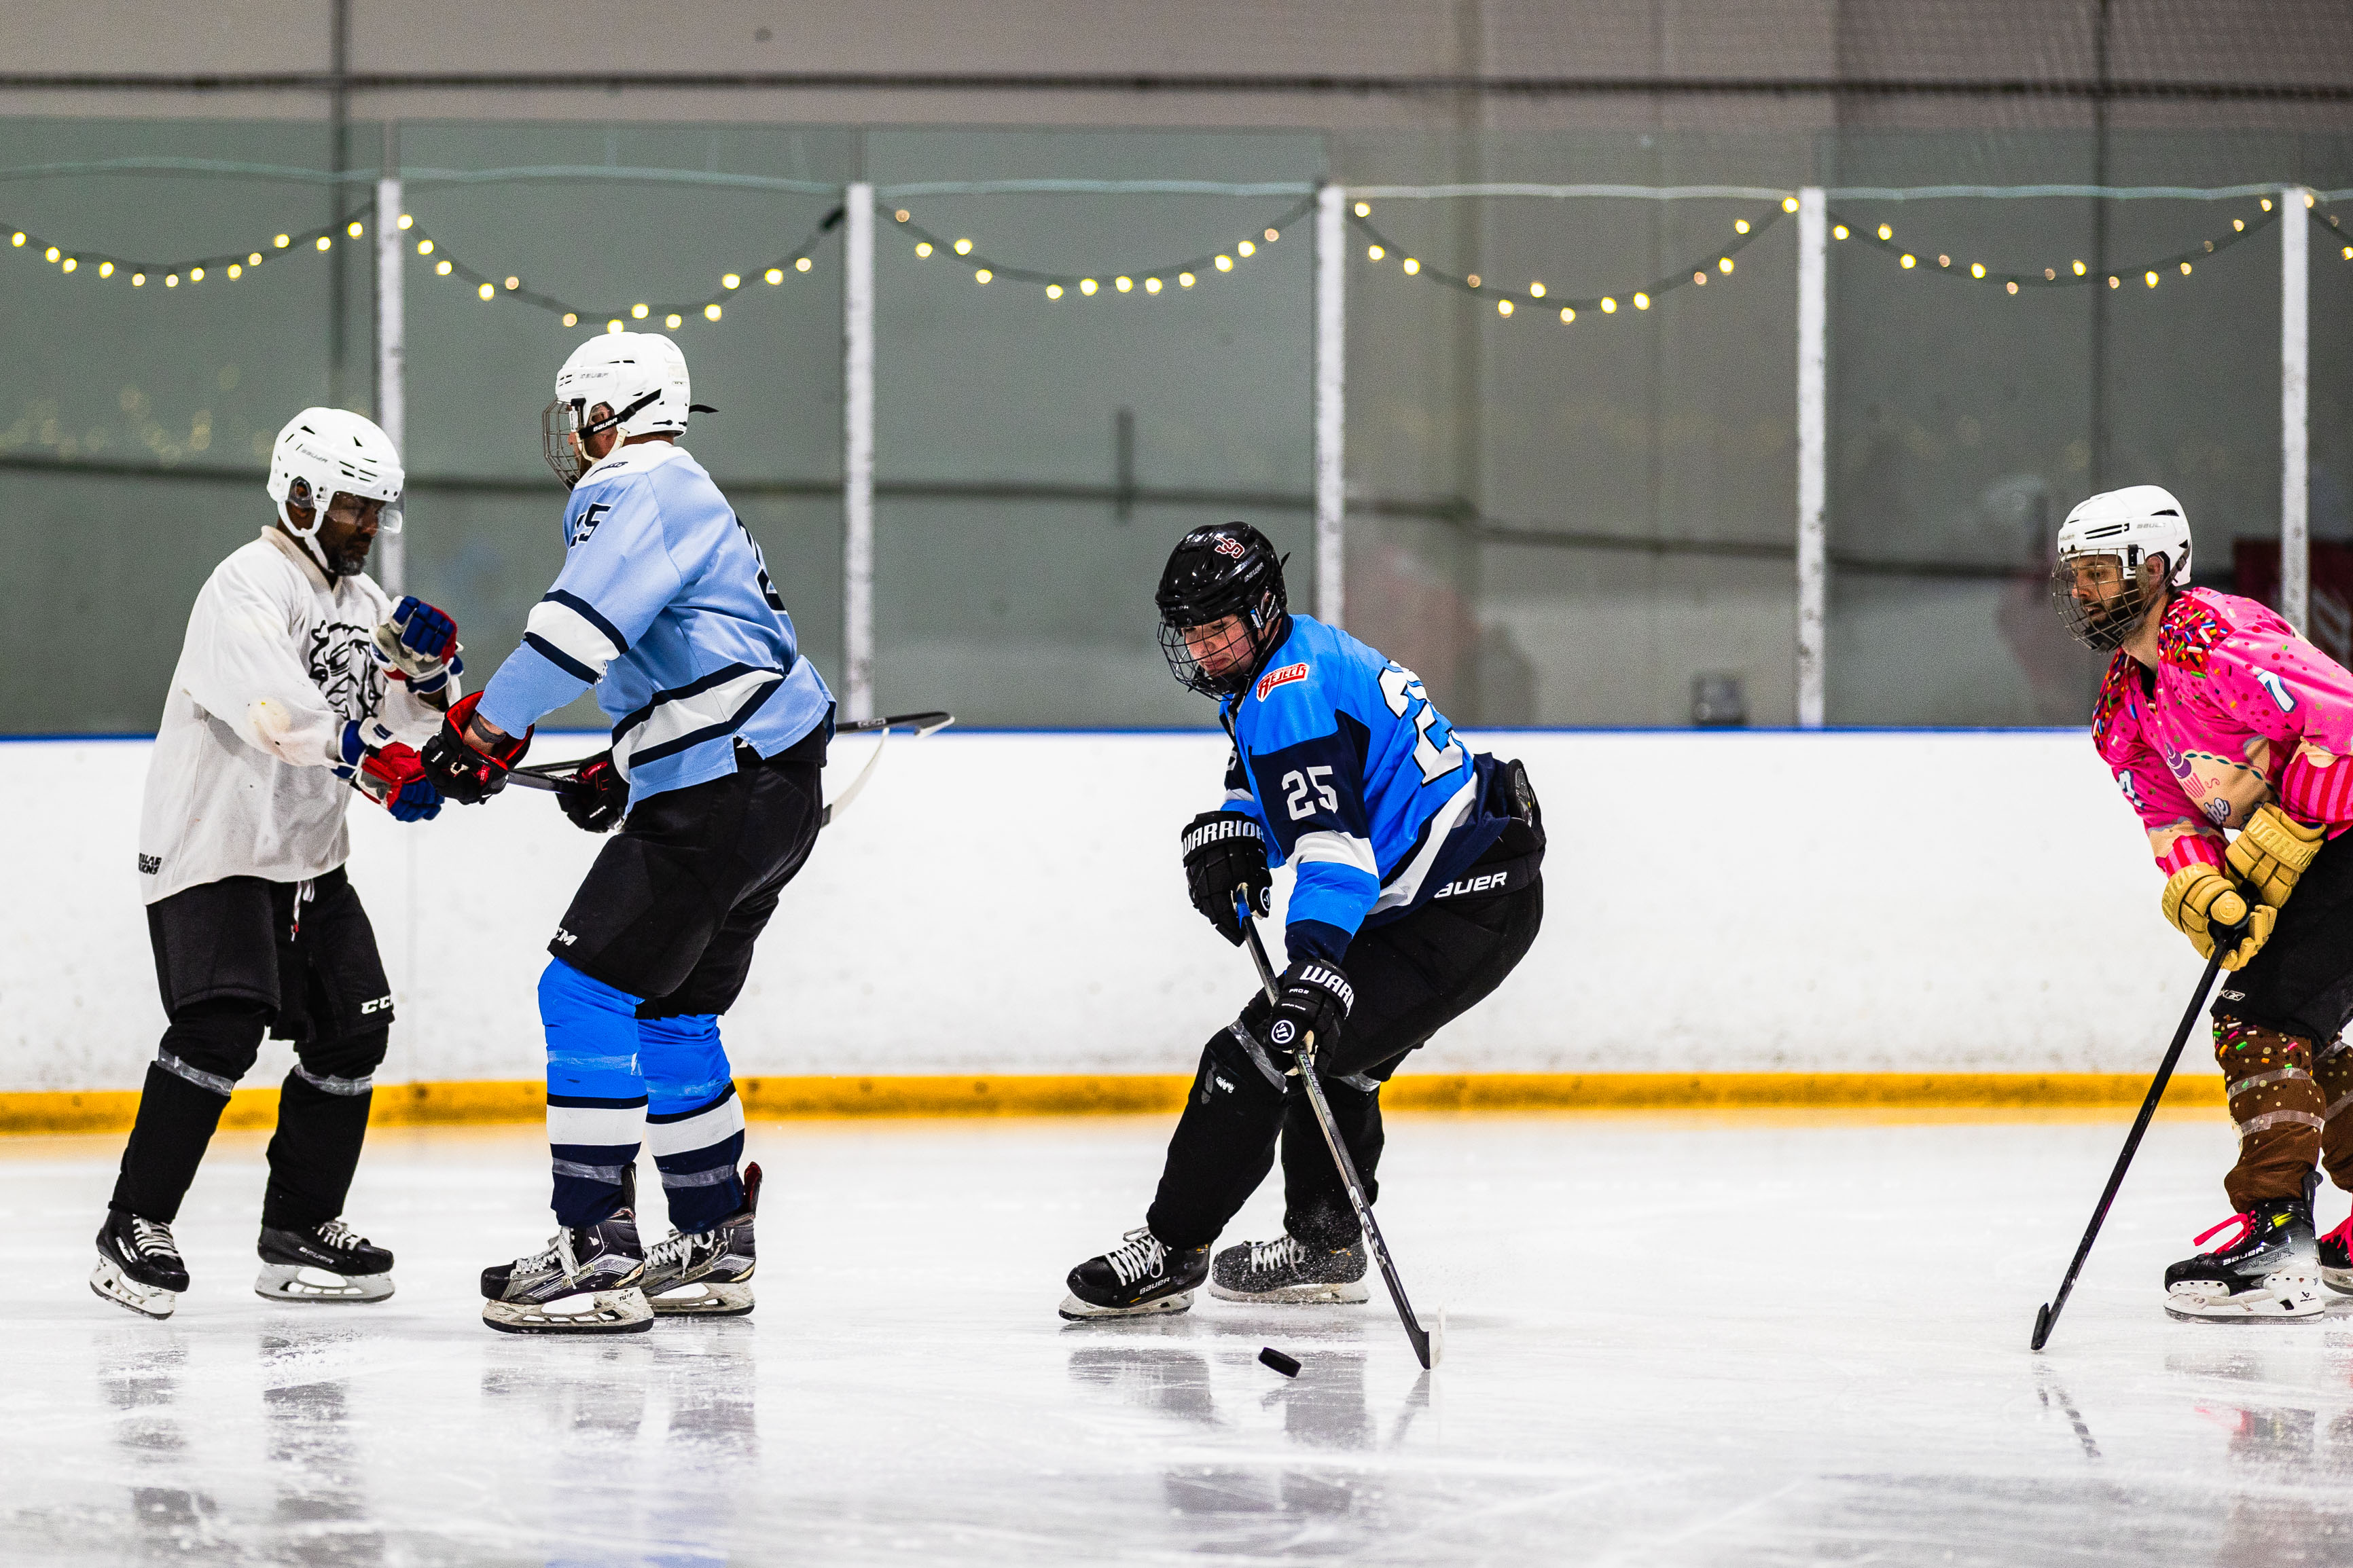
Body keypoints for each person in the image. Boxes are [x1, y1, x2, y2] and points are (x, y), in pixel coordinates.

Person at [422, 332, 832, 1334]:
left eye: (579, 414)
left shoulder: (635, 485)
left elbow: (574, 631)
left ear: (611, 413)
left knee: (581, 991)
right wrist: (625, 762)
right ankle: (712, 1232)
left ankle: (594, 1245)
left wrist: (485, 731)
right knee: (673, 1012)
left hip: (722, 788)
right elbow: (700, 654)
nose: (572, 435)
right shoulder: (689, 490)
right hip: (773, 787)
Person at [1060, 522, 1545, 1319]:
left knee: (1262, 1050)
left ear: (1260, 609)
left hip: (1456, 908)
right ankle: (1325, 1246)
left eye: (1217, 628)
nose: (1202, 648)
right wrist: (1240, 826)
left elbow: (1333, 853)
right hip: (1458, 889)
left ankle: (1171, 1248)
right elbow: (1278, 772)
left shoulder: (1289, 689)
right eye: (1190, 632)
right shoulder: (1290, 657)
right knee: (1334, 1057)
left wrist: (1314, 963)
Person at [93, 408, 456, 1319]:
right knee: (221, 1026)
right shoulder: (246, 584)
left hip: (307, 858)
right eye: (352, 507)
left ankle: (298, 1228)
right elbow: (276, 711)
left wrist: (432, 681)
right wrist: (366, 755)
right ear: (300, 496)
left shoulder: (366, 608)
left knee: (353, 1028)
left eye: (375, 510)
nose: (367, 526)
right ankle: (133, 1224)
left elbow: (403, 728)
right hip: (214, 844)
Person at [2057, 484, 2353, 1322]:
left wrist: (2293, 819)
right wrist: (2204, 884)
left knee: (2256, 1018)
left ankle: (2278, 1242)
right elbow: (2167, 818)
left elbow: (2343, 718)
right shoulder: (2121, 705)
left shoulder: (2212, 639)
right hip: (2323, 858)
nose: (2080, 591)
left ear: (2153, 568)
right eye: (2074, 574)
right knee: (2292, 1025)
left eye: (2097, 572)